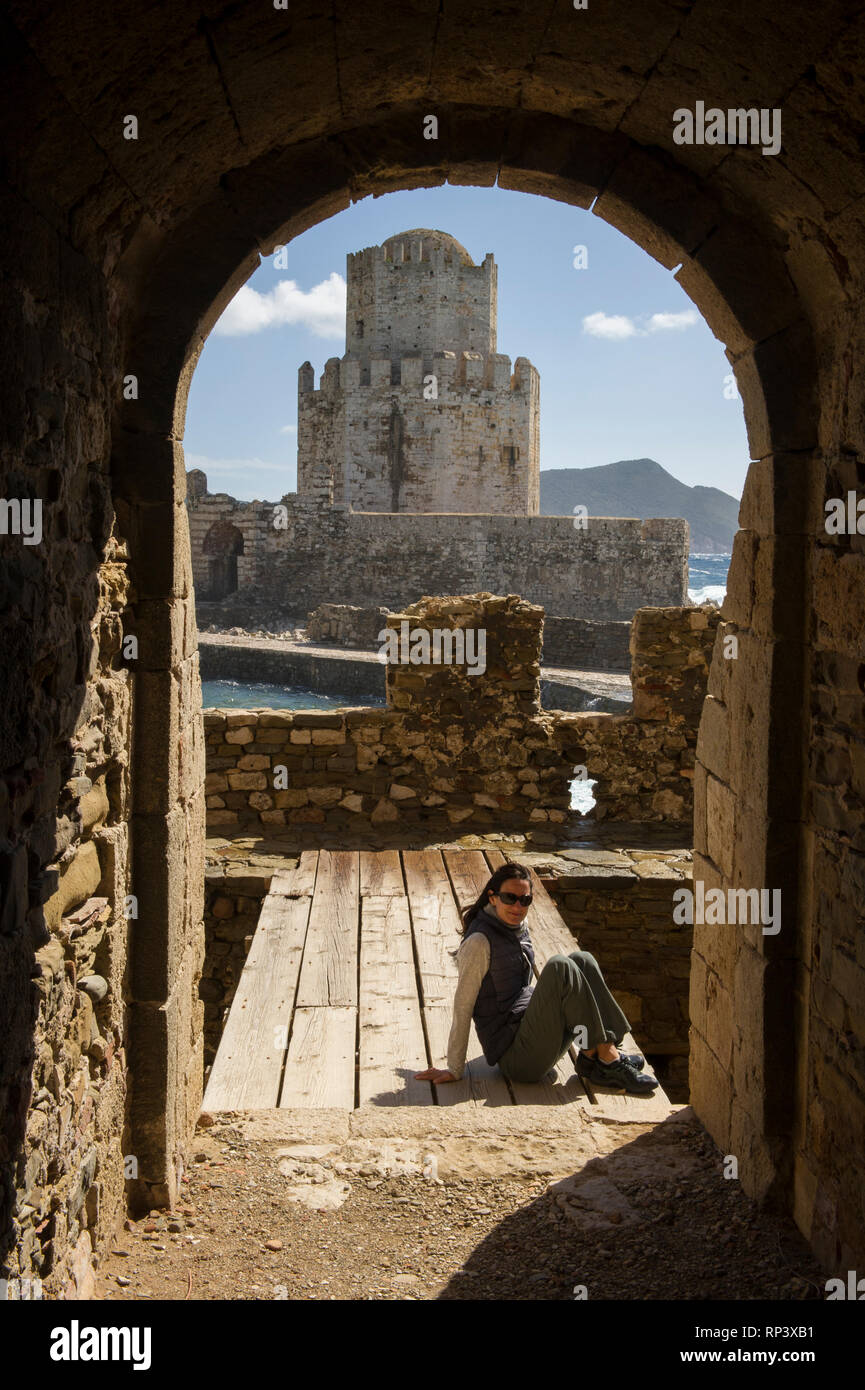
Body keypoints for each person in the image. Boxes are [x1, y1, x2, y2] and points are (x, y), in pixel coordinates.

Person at [414, 861, 659, 1095]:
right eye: (510, 898)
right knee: (560, 967)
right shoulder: (479, 942)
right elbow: (462, 1005)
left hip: (529, 1027)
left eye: (525, 900)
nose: (518, 907)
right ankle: (607, 1058)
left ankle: (597, 1053)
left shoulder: (519, 926)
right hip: (518, 1060)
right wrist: (455, 1068)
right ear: (493, 897)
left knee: (581, 959)